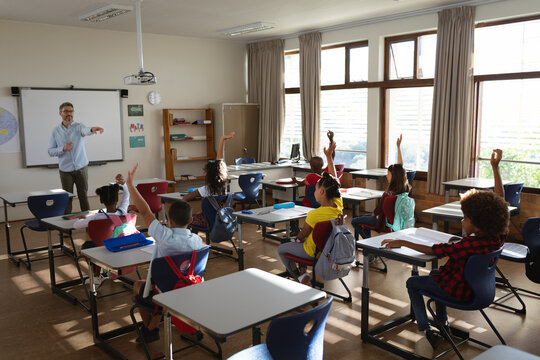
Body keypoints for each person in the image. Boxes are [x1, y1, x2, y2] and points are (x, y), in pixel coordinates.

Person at [380, 149, 508, 349]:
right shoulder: (497, 237)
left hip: (461, 292)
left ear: (477, 223)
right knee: (435, 273)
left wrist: (403, 242)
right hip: (482, 290)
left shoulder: (467, 245)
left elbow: (434, 250)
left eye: (465, 217)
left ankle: (426, 328)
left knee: (413, 282)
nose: (462, 220)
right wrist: (495, 167)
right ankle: (443, 321)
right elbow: (501, 203)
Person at [127, 163, 204, 344]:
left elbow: (145, 210)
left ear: (168, 220)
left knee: (139, 286)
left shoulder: (163, 235)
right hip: (190, 288)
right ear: (191, 220)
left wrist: (131, 186)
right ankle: (157, 325)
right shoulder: (198, 241)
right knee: (155, 288)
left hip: (166, 290)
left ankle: (150, 330)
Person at [278, 141, 342, 284]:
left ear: (322, 191)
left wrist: (296, 240)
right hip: (329, 250)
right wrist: (329, 156)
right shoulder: (339, 205)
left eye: (316, 188)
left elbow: (301, 236)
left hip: (312, 252)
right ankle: (302, 271)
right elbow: (334, 179)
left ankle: (299, 277)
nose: (314, 191)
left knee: (283, 248)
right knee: (302, 241)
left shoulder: (314, 214)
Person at [48, 102, 104, 214]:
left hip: (81, 168)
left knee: (83, 196)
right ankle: (66, 226)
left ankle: (89, 223)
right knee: (67, 198)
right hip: (65, 170)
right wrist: (63, 148)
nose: (69, 114)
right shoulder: (56, 131)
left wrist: (93, 129)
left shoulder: (79, 127)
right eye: (66, 111)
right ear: (60, 113)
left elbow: (86, 130)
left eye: (71, 111)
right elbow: (50, 151)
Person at [74, 174, 130, 288]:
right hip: (121, 247)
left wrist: (81, 218)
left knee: (89, 246)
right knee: (101, 244)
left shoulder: (96, 217)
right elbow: (127, 196)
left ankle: (95, 275)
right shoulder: (123, 212)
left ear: (100, 200)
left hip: (102, 249)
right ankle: (104, 271)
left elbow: (76, 225)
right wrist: (124, 184)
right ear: (117, 199)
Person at [351, 134, 410, 239]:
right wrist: (398, 147)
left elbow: (377, 211)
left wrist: (373, 215)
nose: (386, 175)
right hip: (394, 221)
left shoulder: (388, 194)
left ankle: (368, 243)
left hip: (382, 221)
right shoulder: (404, 189)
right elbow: (400, 168)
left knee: (354, 221)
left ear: (393, 176)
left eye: (388, 174)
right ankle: (367, 249)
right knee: (364, 217)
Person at [183, 132, 235, 228]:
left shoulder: (206, 189)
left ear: (209, 174)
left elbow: (185, 198)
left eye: (206, 171)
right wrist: (222, 139)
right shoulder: (225, 187)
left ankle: (193, 240)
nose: (204, 173)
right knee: (198, 214)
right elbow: (220, 163)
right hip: (222, 220)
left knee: (189, 218)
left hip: (208, 222)